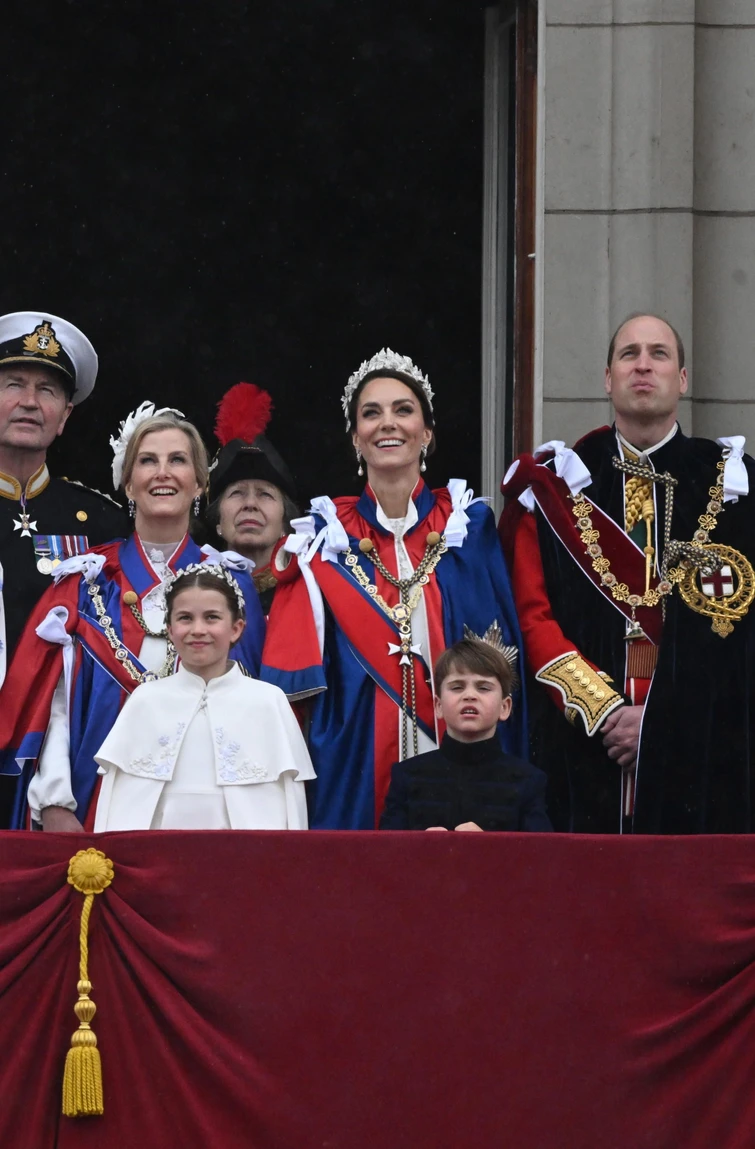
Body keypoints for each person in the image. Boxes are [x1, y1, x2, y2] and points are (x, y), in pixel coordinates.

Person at [500, 312, 755, 834]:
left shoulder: (736, 488)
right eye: (629, 354)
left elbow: (741, 639)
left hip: (702, 754)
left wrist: (662, 721)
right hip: (583, 749)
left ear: (682, 379)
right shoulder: (555, 488)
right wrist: (606, 713)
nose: (644, 366)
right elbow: (533, 619)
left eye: (659, 354)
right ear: (607, 378)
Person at [262, 347, 527, 829]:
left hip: (460, 746)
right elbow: (291, 681)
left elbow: (503, 648)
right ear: (355, 440)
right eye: (371, 413)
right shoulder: (324, 538)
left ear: (426, 433)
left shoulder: (469, 526)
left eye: (403, 410)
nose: (387, 423)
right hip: (355, 749)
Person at [0, 404, 265, 831]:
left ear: (199, 483)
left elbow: (252, 711)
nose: (163, 472)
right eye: (147, 460)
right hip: (94, 802)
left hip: (206, 812)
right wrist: (55, 803)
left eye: (177, 460)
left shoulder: (232, 587)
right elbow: (56, 708)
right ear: (127, 482)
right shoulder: (85, 584)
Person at [94, 565, 314, 830]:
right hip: (160, 859)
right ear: (170, 629)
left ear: (236, 628)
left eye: (211, 617)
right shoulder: (145, 701)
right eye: (185, 618)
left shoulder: (268, 701)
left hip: (244, 861)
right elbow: (116, 809)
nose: (198, 629)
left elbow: (290, 808)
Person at [0, 311, 127, 684]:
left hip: (60, 729)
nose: (29, 402)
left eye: (47, 390)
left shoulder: (103, 521)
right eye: (14, 385)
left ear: (64, 417)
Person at [380, 638, 550, 832]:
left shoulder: (528, 781)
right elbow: (385, 856)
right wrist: (421, 849)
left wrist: (488, 848)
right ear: (438, 706)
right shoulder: (407, 776)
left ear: (505, 707)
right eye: (457, 687)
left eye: (483, 687)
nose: (469, 695)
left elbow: (542, 858)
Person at [205, 382, 299, 614]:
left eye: (265, 494)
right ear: (217, 521)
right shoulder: (195, 590)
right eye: (237, 493)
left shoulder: (308, 593)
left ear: (285, 523)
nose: (250, 504)